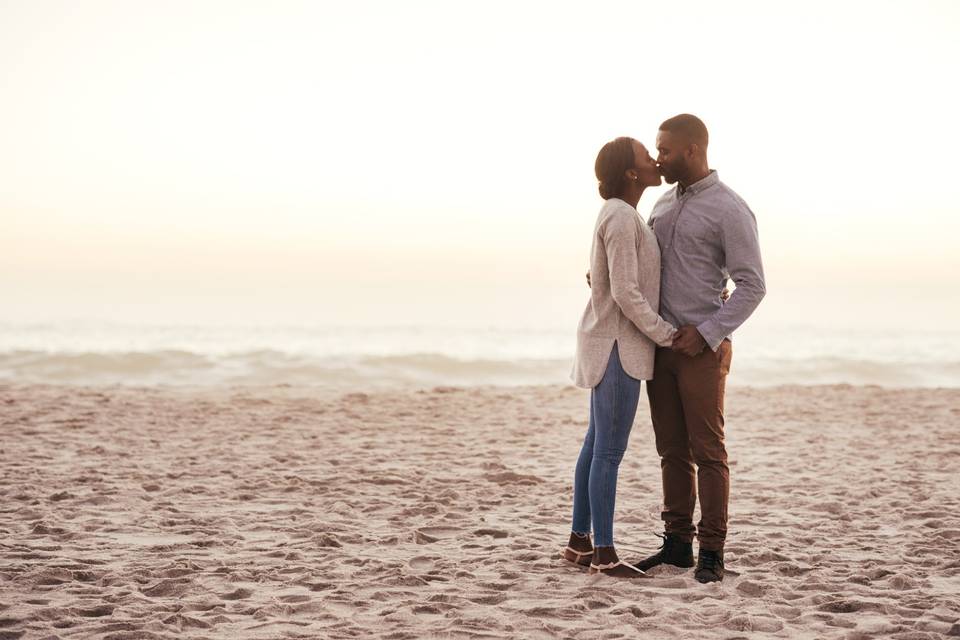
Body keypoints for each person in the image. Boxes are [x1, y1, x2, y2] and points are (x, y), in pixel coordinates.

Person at [631, 114, 766, 583]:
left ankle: (712, 551)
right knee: (670, 450)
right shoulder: (662, 205)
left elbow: (753, 285)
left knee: (709, 451)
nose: (658, 158)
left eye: (664, 150)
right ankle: (676, 546)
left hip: (703, 351)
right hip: (660, 345)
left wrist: (707, 331)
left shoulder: (730, 209)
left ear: (692, 149)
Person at [561, 137, 677, 578]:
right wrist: (665, 334)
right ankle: (605, 554)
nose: (654, 159)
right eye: (646, 156)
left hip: (609, 343)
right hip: (617, 347)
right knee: (608, 451)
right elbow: (627, 292)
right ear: (631, 172)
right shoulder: (621, 215)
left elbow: (610, 280)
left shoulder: (621, 215)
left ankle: (578, 542)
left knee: (595, 445)